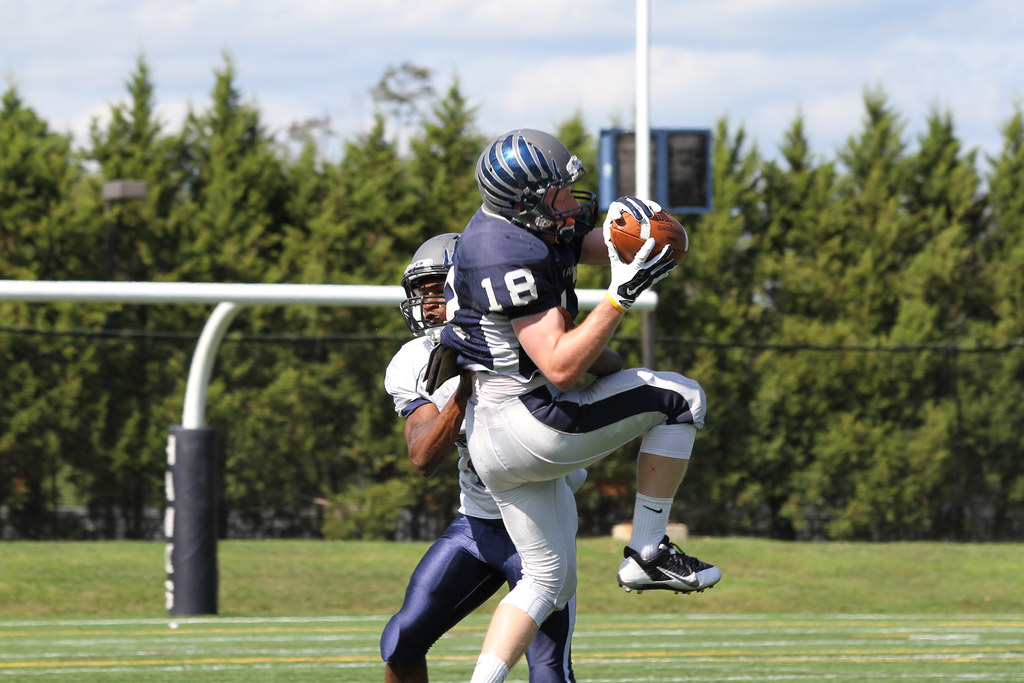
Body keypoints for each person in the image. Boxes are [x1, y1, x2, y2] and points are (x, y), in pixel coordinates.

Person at [437, 129, 721, 683]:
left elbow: (592, 242)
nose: (570, 203)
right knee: (682, 397)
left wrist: (642, 233)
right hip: (529, 421)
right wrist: (621, 295)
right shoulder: (505, 250)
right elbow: (562, 365)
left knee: (547, 581)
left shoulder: (525, 222)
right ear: (525, 202)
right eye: (558, 194)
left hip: (492, 438)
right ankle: (646, 549)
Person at [381, 233, 586, 683]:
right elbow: (422, 456)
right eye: (422, 293)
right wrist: (465, 386)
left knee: (549, 672)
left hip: (539, 528)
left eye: (438, 289)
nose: (428, 304)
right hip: (476, 522)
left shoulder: (525, 339)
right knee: (400, 642)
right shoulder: (413, 359)